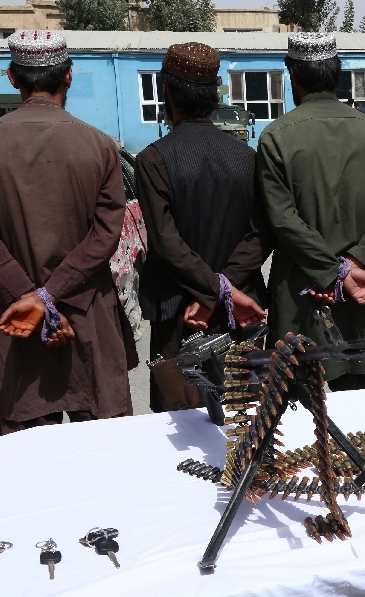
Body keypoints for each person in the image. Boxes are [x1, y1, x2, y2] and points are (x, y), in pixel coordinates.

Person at [0, 30, 137, 435]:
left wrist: (31, 298)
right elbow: (105, 235)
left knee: (29, 459)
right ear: (68, 75)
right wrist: (49, 298)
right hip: (86, 313)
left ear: (12, 77)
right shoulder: (100, 146)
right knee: (104, 448)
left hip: (17, 318)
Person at [255, 32, 365, 391]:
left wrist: (331, 272)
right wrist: (353, 266)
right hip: (360, 293)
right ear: (336, 74)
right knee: (362, 414)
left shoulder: (276, 137)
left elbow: (283, 219)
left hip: (302, 294)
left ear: (293, 75)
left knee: (295, 409)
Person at [135, 42, 266, 412]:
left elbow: (165, 242)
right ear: (213, 94)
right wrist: (224, 289)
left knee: (178, 424)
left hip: (180, 315)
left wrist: (212, 294)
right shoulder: (247, 156)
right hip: (239, 308)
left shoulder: (154, 160)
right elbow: (261, 234)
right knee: (242, 419)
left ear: (167, 90)